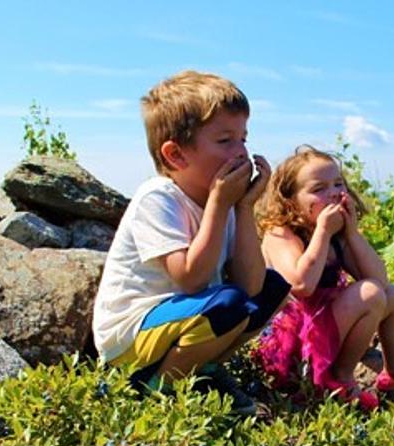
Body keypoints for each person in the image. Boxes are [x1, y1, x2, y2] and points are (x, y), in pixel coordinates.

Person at [92, 71, 290, 415]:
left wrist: (242, 207)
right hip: (129, 337)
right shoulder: (158, 198)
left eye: (243, 138)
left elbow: (252, 284)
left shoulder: (226, 202)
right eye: (225, 140)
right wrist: (218, 204)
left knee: (270, 287)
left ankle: (203, 370)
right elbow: (191, 278)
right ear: (176, 155)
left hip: (183, 322)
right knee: (227, 304)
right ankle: (157, 392)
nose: (241, 151)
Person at [255, 145, 394, 410]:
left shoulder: (338, 235)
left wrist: (352, 235)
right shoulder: (280, 234)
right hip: (296, 344)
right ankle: (340, 378)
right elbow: (301, 285)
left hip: (326, 327)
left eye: (338, 184)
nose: (333, 193)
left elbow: (380, 279)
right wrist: (322, 232)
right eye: (318, 189)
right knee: (369, 294)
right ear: (290, 201)